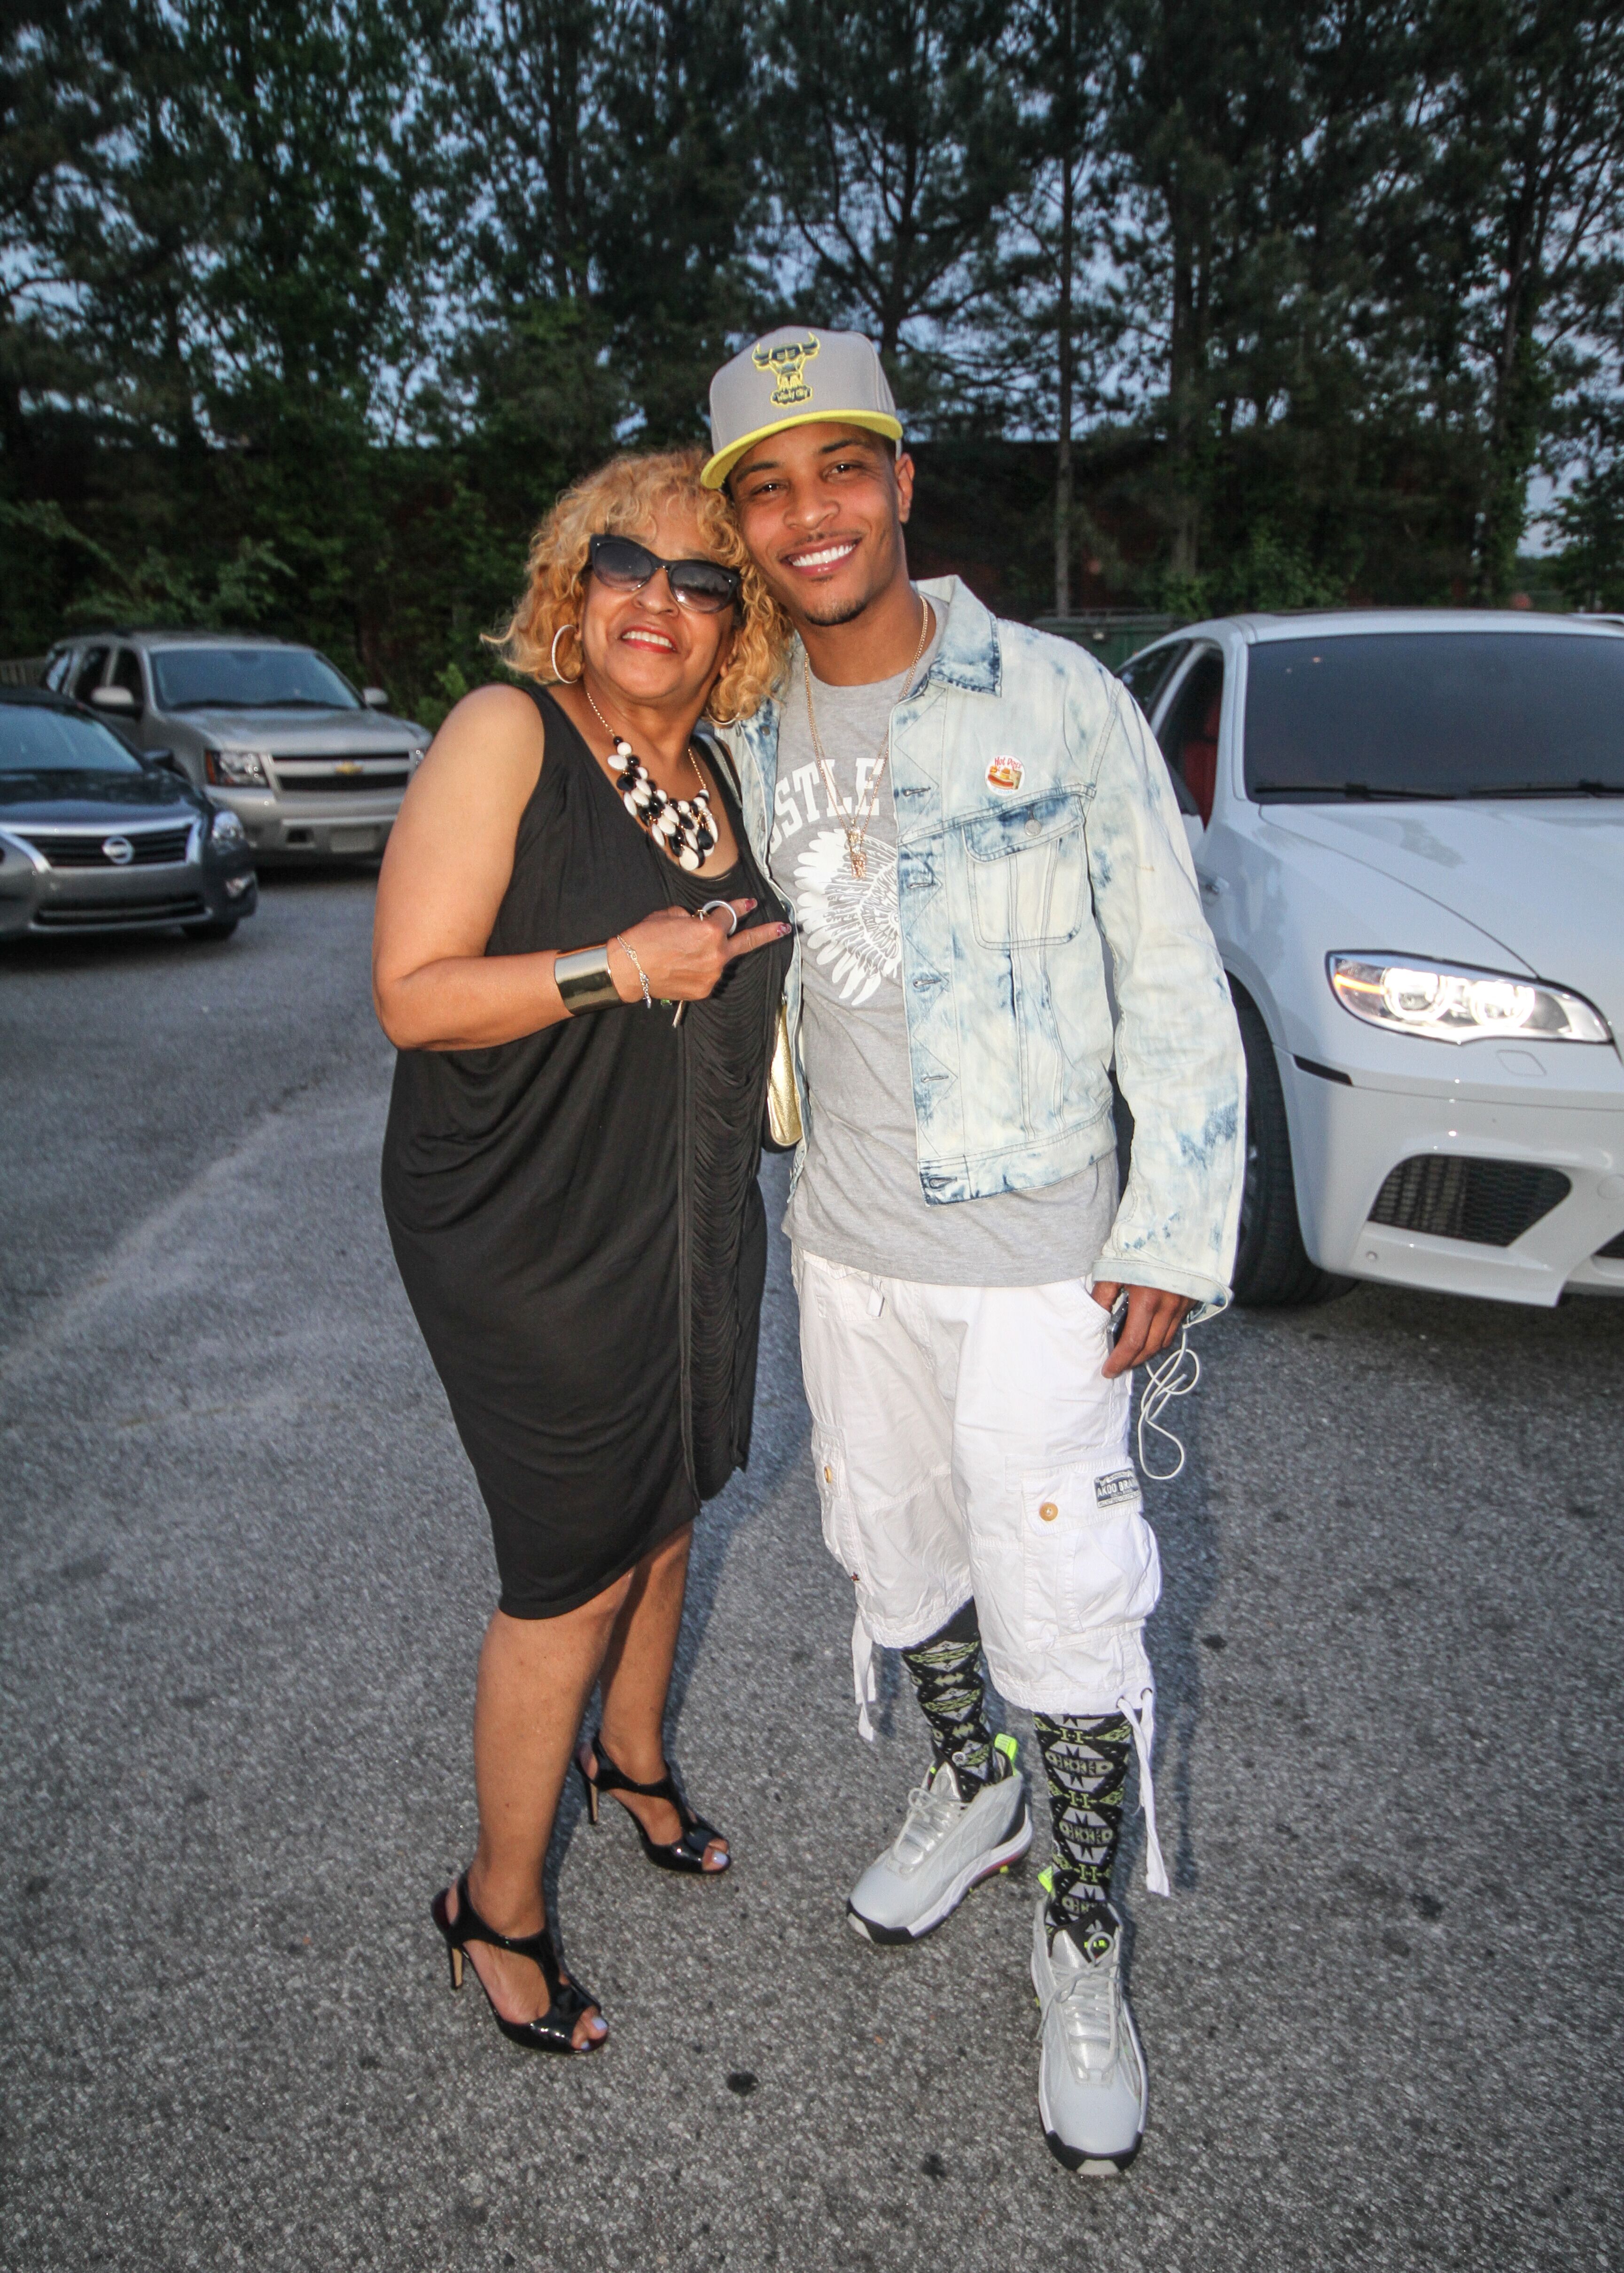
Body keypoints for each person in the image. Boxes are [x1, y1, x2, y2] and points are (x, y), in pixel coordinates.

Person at [702, 328, 1245, 2170]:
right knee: (893, 1545)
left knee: (1070, 1599)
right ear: (739, 526)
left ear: (903, 480)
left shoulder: (1060, 695)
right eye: (767, 487)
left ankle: (1080, 1934)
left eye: (840, 468)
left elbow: (1171, 967)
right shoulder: (750, 722)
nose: (811, 512)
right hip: (845, 1246)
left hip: (1042, 1259)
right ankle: (975, 1778)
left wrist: (1175, 1210)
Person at [373, 447, 793, 2055]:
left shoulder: (726, 776)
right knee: (571, 1562)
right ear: (576, 577)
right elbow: (414, 993)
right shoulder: (511, 735)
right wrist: (617, 965)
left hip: (684, 1197)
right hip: (523, 1213)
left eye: (704, 582)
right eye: (631, 563)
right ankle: (497, 1901)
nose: (661, 601)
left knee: (676, 1490)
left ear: (735, 622)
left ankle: (631, 1760)